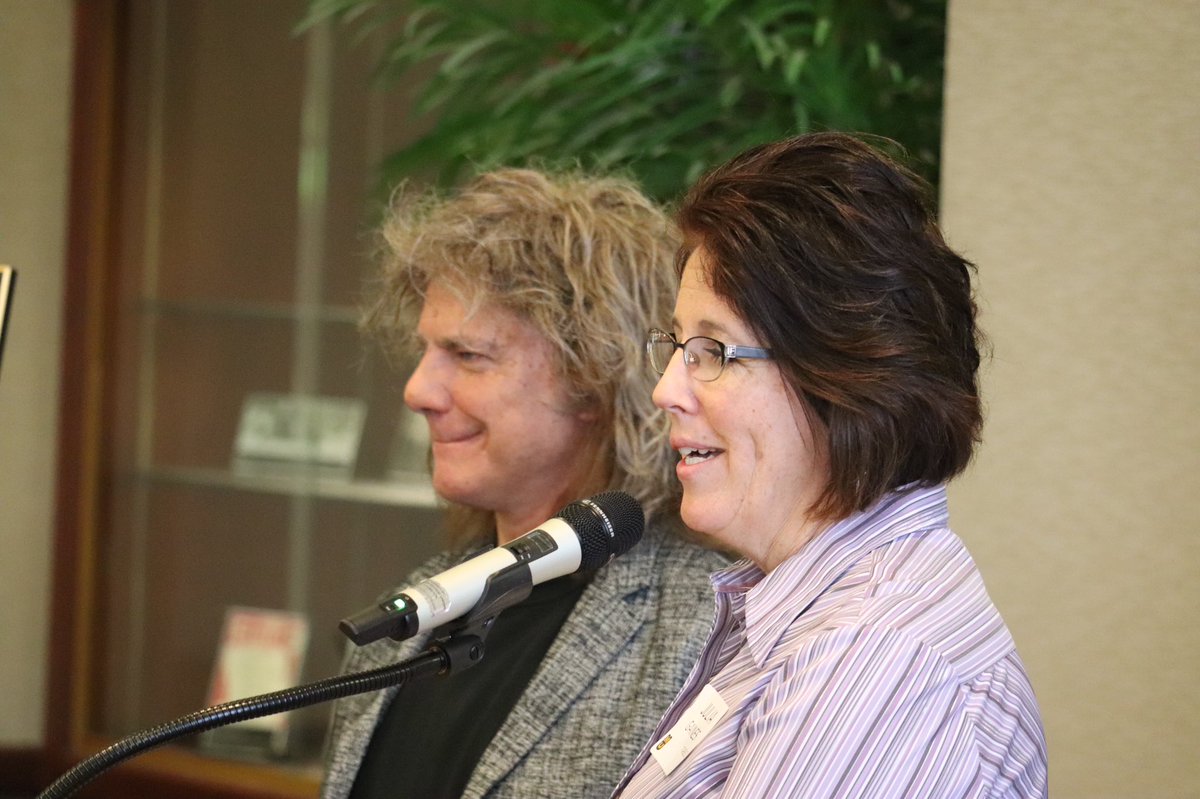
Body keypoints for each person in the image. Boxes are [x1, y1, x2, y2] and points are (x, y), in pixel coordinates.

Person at [612, 133, 1048, 798]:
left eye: (714, 350)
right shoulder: (808, 612)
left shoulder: (873, 655)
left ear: (842, 373)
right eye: (678, 344)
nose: (667, 388)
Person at [319, 168, 728, 799]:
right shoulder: (404, 620)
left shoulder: (704, 632)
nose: (417, 391)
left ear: (591, 375)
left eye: (468, 355)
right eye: (425, 351)